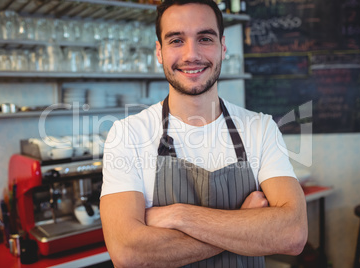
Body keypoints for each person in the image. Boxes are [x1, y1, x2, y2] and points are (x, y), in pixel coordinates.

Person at [100, 0, 308, 267]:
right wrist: (245, 224)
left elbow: (292, 234)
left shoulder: (261, 128)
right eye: (176, 40)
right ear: (159, 52)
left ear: (222, 47)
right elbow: (128, 253)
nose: (191, 55)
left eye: (205, 38)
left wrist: (179, 215)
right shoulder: (127, 134)